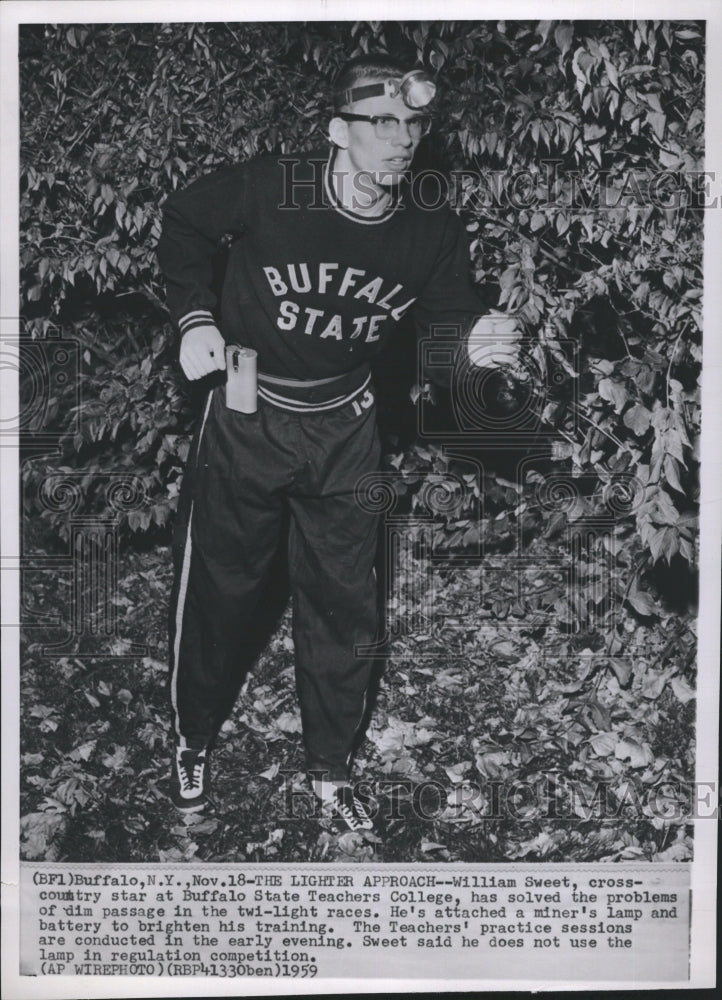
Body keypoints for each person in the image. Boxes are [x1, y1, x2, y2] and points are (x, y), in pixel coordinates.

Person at [157, 53, 521, 832]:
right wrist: (195, 315)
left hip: (347, 429)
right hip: (248, 412)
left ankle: (328, 765)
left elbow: (448, 321)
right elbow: (185, 221)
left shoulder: (428, 228)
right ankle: (191, 738)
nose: (401, 140)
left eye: (413, 124)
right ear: (336, 130)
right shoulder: (268, 188)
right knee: (221, 590)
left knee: (346, 604)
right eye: (381, 123)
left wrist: (476, 348)